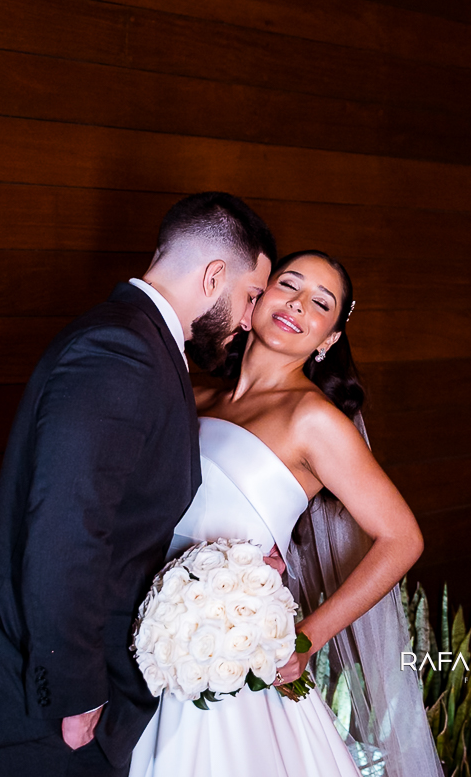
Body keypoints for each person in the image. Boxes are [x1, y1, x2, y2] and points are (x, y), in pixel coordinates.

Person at [0, 192, 276, 776]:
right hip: (36, 709)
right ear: (213, 276)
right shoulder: (122, 349)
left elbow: (127, 519)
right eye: (251, 296)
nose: (248, 319)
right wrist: (75, 690)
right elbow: (67, 529)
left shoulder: (143, 344)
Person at [130, 250, 441, 777]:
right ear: (256, 297)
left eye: (320, 303)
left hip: (228, 662)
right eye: (288, 285)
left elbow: (402, 539)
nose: (298, 304)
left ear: (328, 339)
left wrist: (306, 639)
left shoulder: (313, 419)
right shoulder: (193, 394)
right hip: (148, 645)